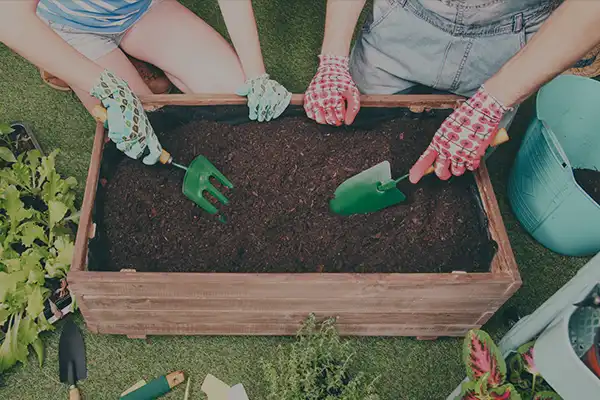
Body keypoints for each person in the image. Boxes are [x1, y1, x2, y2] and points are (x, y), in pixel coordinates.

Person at [303, 0, 600, 183]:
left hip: (511, 34)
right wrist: (333, 58)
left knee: (453, 167)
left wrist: (494, 100)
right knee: (356, 125)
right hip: (406, 15)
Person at [0, 0, 291, 165]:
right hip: (71, 27)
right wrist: (108, 88)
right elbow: (9, 20)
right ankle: (61, 64)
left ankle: (133, 61)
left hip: (140, 8)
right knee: (146, 138)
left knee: (232, 92)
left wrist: (256, 74)